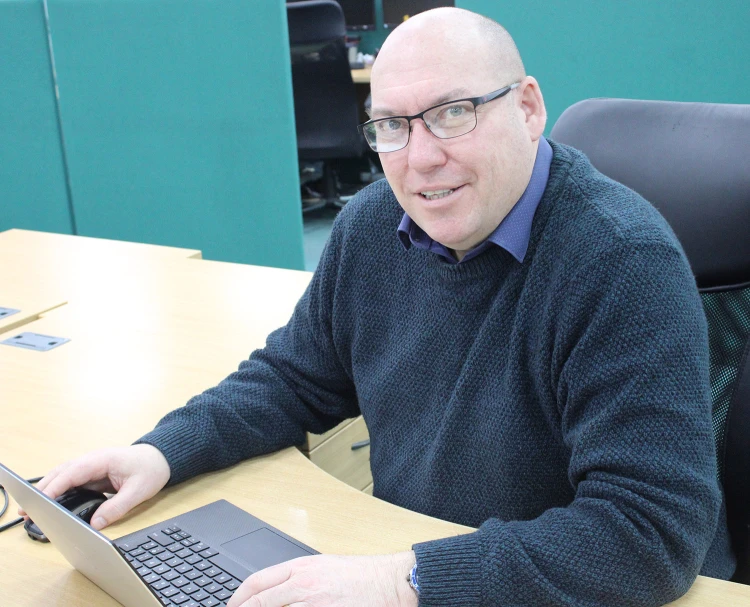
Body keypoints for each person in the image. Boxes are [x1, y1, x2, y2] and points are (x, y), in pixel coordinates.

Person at [28, 7, 735, 607]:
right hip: (417, 559)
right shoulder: (372, 225)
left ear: (526, 108)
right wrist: (160, 451)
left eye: (452, 114)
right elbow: (291, 377)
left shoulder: (619, 261)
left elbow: (649, 529)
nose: (419, 158)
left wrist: (404, 579)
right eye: (392, 125)